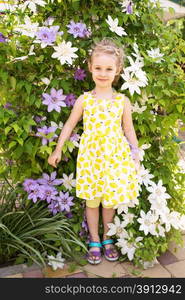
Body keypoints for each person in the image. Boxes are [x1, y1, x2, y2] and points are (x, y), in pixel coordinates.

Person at [48, 38, 140, 265]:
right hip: (91, 160)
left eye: (108, 69)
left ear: (117, 70)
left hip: (114, 159)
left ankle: (108, 238)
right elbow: (69, 125)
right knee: (92, 202)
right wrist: (58, 149)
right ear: (90, 67)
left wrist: (135, 153)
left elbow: (128, 129)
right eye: (98, 68)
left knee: (109, 202)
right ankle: (94, 239)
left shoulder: (122, 101)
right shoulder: (84, 100)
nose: (102, 73)